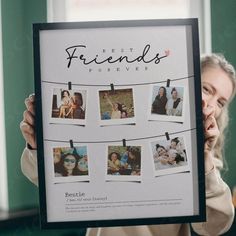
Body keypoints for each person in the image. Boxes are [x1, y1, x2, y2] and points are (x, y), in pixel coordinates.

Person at [20, 53, 235, 235]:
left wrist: (204, 155)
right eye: (207, 89)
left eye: (221, 102)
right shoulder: (122, 125)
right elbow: (57, 179)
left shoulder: (204, 162)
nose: (211, 104)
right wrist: (39, 148)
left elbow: (213, 227)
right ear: (183, 78)